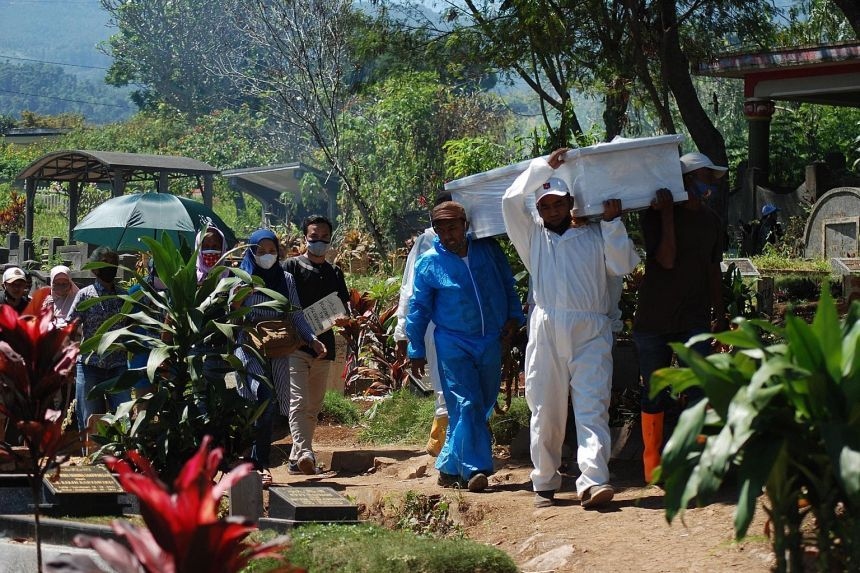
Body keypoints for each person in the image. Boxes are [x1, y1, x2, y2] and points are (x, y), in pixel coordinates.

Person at [502, 148, 640, 509]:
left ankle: (593, 481)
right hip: (547, 327)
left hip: (591, 328)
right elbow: (510, 199)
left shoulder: (596, 234)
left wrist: (612, 223)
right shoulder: (532, 239)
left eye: (558, 204)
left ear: (571, 203)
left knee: (593, 404)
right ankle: (545, 480)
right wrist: (543, 166)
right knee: (545, 406)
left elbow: (624, 265)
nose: (552, 211)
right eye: (545, 206)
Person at [406, 201, 524, 493]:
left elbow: (507, 284)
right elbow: (418, 309)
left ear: (465, 225)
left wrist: (513, 317)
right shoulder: (429, 263)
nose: (448, 234)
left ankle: (448, 466)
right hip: (453, 341)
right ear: (435, 231)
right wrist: (415, 349)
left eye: (453, 227)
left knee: (481, 403)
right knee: (465, 402)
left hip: (491, 339)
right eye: (441, 229)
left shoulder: (488, 250)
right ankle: (475, 469)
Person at [632, 151, 728, 483]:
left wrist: (720, 314)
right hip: (653, 320)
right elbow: (667, 260)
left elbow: (713, 269)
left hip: (694, 319)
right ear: (683, 182)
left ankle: (695, 462)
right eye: (701, 178)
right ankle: (653, 467)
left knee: (700, 386)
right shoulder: (655, 215)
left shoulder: (712, 221)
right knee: (654, 392)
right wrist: (669, 215)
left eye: (709, 179)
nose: (707, 186)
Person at [235, 229, 325, 485]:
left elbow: (296, 313)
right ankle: (257, 463)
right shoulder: (242, 278)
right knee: (260, 397)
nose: (267, 256)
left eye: (271, 251)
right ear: (251, 252)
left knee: (273, 404)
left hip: (278, 345)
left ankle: (256, 460)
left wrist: (312, 339)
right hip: (249, 346)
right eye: (260, 251)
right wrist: (239, 298)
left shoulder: (285, 279)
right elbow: (232, 316)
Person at [282, 215, 350, 475]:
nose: (319, 242)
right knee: (298, 401)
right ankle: (306, 452)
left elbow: (343, 306)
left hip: (325, 346)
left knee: (314, 405)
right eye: (314, 237)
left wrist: (345, 319)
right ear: (304, 238)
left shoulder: (334, 272)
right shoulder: (290, 267)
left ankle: (296, 457)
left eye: (324, 238)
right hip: (295, 346)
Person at [394, 195, 451, 457]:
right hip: (435, 325)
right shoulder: (426, 241)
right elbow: (410, 288)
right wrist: (403, 331)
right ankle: (445, 442)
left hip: (472, 326)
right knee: (442, 381)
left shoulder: (477, 241)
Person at [68, 247, 132, 435]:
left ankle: (123, 456)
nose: (110, 268)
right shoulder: (85, 295)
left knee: (123, 416)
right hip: (90, 365)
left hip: (118, 364)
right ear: (95, 269)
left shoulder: (123, 296)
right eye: (105, 264)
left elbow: (131, 324)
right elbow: (71, 325)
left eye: (114, 264)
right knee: (89, 417)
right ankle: (89, 458)